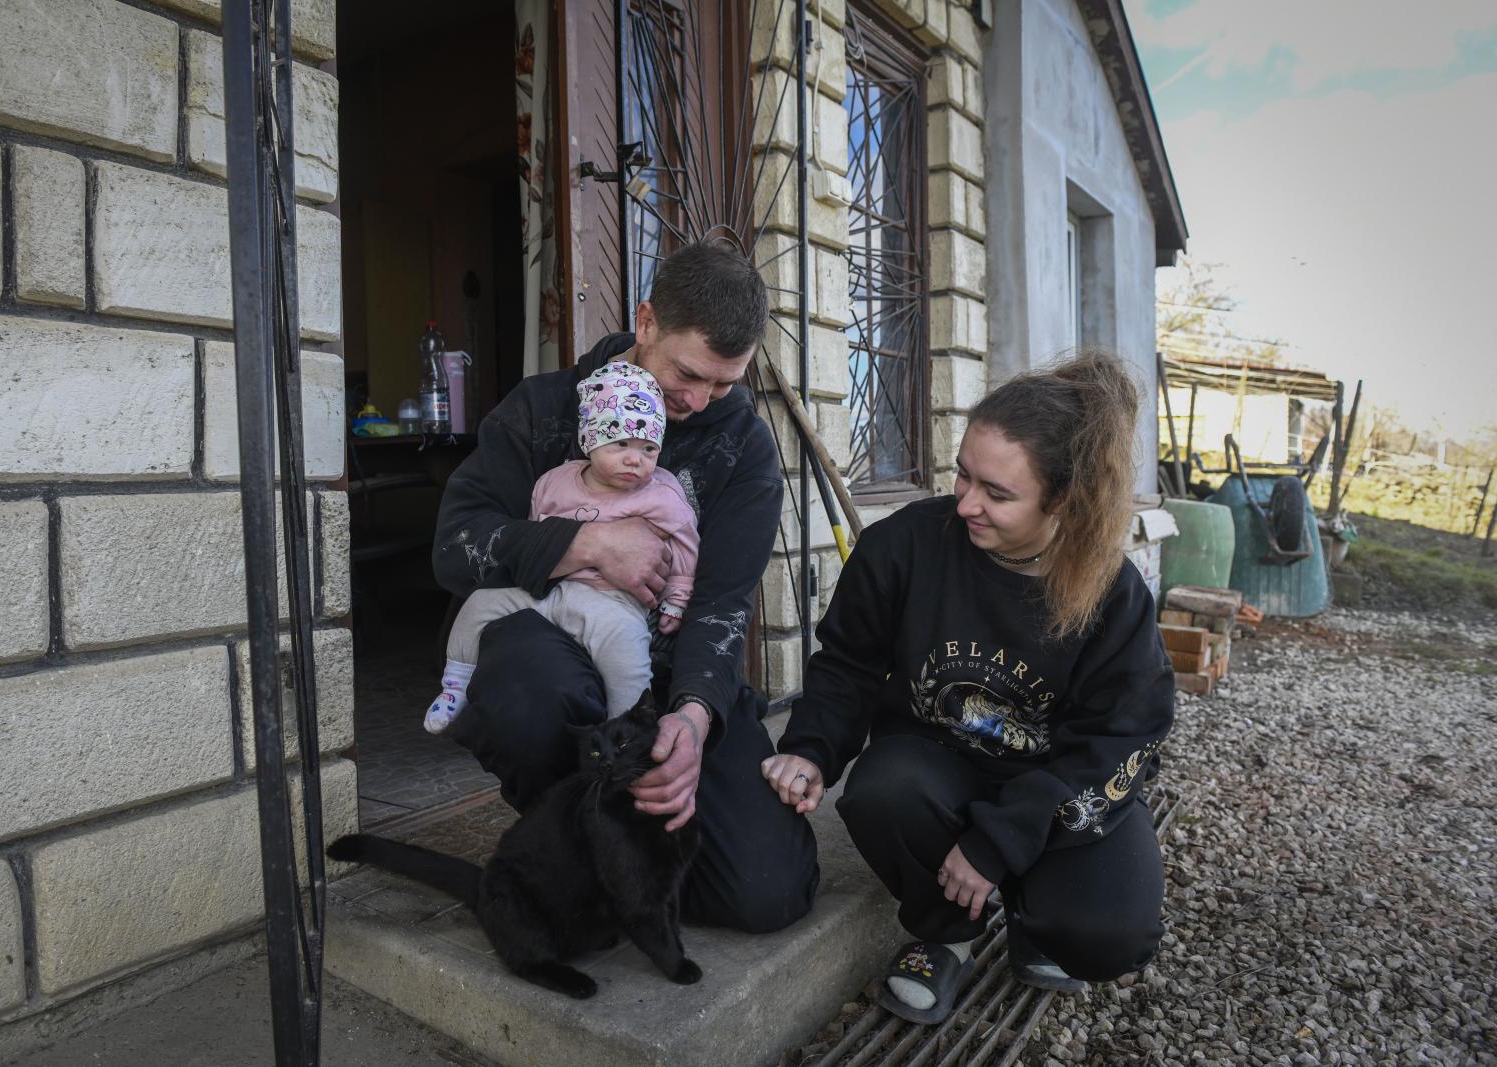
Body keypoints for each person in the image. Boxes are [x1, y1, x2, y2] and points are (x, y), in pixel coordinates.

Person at [762, 351, 1173, 1024]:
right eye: (962, 472)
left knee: (1110, 937)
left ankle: (1032, 911)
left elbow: (1120, 739)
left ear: (1063, 500)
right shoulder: (906, 545)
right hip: (941, 767)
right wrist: (810, 748)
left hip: (1055, 786)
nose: (965, 501)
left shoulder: (1111, 593)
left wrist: (1001, 841)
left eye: (997, 492)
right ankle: (947, 931)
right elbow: (847, 665)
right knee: (880, 789)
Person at [432, 240, 819, 934]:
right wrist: (582, 543)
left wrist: (694, 719)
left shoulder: (746, 449)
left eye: (724, 385)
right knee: (519, 683)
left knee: (769, 891)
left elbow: (723, 603)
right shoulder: (543, 409)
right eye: (688, 375)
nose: (698, 403)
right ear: (646, 322)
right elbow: (454, 549)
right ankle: (585, 835)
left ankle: (606, 847)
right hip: (563, 665)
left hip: (674, 679)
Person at [424, 359, 699, 732]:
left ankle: (628, 724)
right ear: (590, 439)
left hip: (610, 603)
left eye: (648, 449)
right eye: (620, 444)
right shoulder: (554, 483)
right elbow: (537, 529)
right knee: (479, 605)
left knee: (626, 646)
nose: (635, 459)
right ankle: (455, 685)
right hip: (548, 589)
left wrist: (677, 597)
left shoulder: (662, 494)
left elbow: (685, 543)